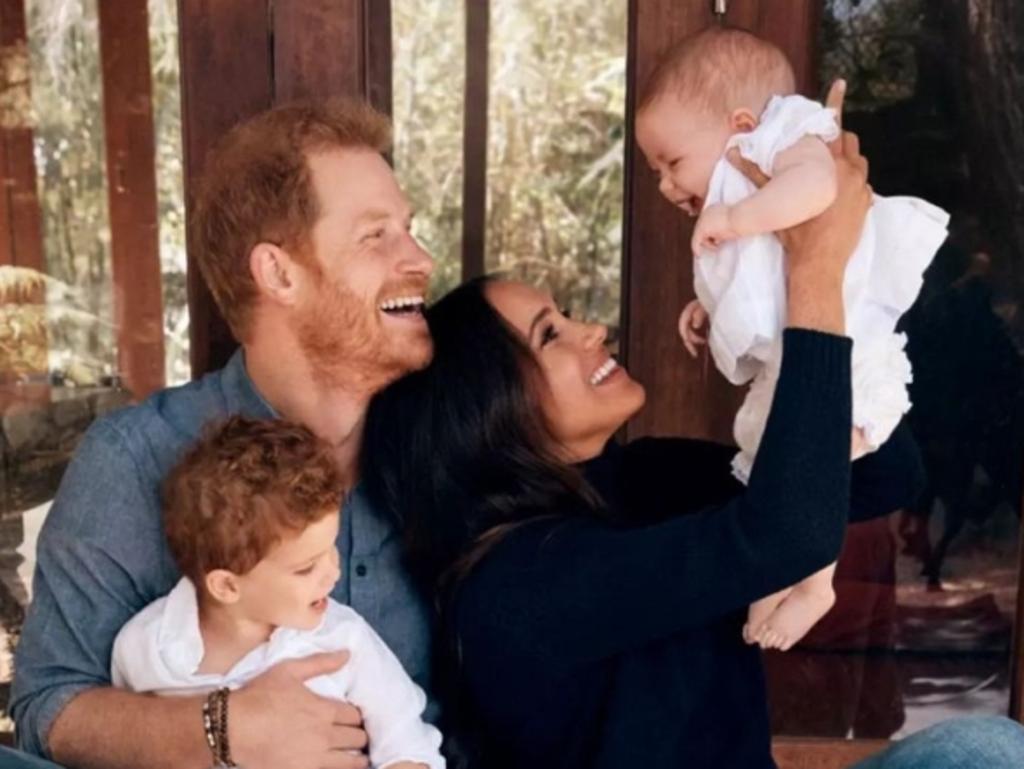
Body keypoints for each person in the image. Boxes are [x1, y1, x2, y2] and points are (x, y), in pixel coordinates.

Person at [362, 92, 1024, 768]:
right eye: (550, 335)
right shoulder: (516, 587)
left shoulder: (643, 477)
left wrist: (768, 333)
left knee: (986, 750)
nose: (590, 330)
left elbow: (884, 475)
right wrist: (813, 270)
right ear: (487, 411)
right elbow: (787, 534)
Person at [9, 100, 433, 769]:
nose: (420, 258)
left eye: (410, 230)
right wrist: (222, 729)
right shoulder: (134, 460)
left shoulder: (442, 447)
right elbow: (45, 708)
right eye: (376, 235)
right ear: (278, 273)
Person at [633, 27, 950, 651]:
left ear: (742, 123)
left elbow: (818, 191)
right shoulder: (745, 183)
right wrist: (708, 305)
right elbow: (763, 275)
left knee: (813, 459)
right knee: (770, 455)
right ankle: (782, 571)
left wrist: (735, 217)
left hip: (849, 347)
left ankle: (814, 582)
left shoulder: (789, 138)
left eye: (673, 163)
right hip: (801, 349)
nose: (668, 186)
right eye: (655, 173)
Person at [111, 416, 444, 769]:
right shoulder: (145, 648)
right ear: (226, 585)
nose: (333, 572)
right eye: (305, 568)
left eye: (331, 549)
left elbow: (405, 739)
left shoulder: (342, 639)